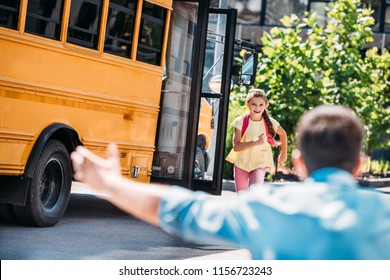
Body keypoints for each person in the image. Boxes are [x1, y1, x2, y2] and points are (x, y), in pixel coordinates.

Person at [70, 105, 390, 260]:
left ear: (300, 164)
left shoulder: (267, 207)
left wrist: (111, 184)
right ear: (359, 166)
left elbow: (180, 210)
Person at [226, 88, 288, 191]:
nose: (257, 108)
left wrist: (284, 153)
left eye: (261, 105)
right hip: (242, 163)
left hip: (260, 163)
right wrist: (255, 142)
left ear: (265, 105)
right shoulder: (240, 121)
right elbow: (236, 147)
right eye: (254, 104)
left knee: (255, 193)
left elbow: (283, 134)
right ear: (248, 104)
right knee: (242, 196)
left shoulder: (270, 122)